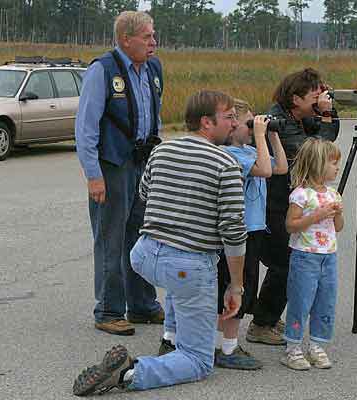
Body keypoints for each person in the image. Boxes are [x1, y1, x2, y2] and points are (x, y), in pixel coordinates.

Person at [72, 90, 247, 396]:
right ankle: (129, 372)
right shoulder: (226, 163)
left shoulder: (161, 151)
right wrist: (235, 286)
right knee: (198, 361)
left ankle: (173, 335)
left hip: (144, 256)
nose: (234, 124)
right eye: (229, 117)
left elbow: (144, 194)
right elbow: (233, 232)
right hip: (187, 266)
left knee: (179, 284)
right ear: (207, 122)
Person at [75, 11, 164, 336]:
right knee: (111, 240)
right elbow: (85, 128)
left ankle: (141, 305)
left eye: (154, 36)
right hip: (112, 167)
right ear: (126, 39)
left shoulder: (153, 69)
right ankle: (109, 310)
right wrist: (93, 175)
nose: (153, 42)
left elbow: (156, 116)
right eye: (147, 37)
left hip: (143, 164)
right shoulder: (102, 70)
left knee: (143, 237)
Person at [247, 68, 340, 345]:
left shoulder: (298, 118)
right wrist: (323, 114)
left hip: (284, 203)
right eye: (314, 97)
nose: (319, 100)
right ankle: (261, 324)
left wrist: (326, 113)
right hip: (271, 206)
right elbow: (316, 151)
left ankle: (268, 317)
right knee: (286, 264)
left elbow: (329, 135)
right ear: (295, 98)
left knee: (285, 262)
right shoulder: (277, 122)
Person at [212, 99, 288, 370]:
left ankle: (225, 343)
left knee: (246, 287)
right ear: (232, 128)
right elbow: (266, 170)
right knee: (234, 288)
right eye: (248, 123)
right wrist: (259, 136)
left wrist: (272, 134)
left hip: (254, 230)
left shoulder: (248, 149)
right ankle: (226, 346)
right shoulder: (232, 154)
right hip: (238, 232)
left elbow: (280, 168)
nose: (252, 128)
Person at [281, 138, 344, 370]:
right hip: (305, 256)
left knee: (325, 300)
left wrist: (337, 213)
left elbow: (338, 227)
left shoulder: (333, 194)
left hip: (328, 255)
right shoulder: (301, 195)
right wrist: (317, 215)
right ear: (318, 164)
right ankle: (293, 347)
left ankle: (317, 344)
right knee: (301, 301)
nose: (337, 167)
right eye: (333, 163)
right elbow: (291, 225)